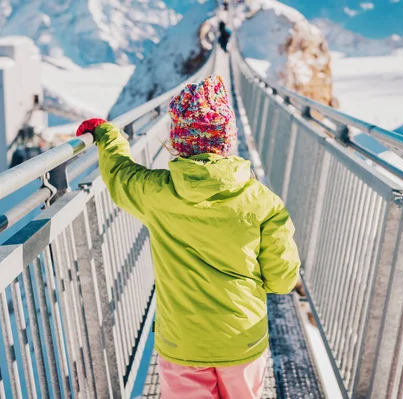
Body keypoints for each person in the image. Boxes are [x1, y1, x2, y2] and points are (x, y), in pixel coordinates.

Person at [76, 75, 300, 399]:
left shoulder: (154, 193)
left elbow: (119, 173)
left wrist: (106, 133)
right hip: (243, 340)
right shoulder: (265, 203)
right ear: (228, 138)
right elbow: (282, 281)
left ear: (178, 141)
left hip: (181, 343)